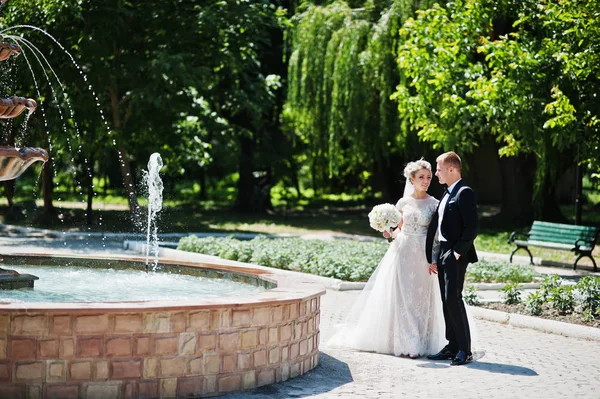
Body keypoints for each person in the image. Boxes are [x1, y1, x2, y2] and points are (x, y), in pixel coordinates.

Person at [328, 159, 445, 358]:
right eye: (421, 177)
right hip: (403, 252)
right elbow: (399, 229)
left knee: (421, 296)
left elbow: (436, 235)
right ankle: (408, 342)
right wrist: (388, 233)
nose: (426, 181)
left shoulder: (434, 204)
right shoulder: (403, 203)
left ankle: (422, 338)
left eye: (428, 177)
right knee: (403, 296)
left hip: (423, 255)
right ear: (412, 179)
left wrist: (434, 258)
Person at [426, 151, 478, 366]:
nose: (435, 173)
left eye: (438, 168)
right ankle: (452, 346)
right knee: (446, 301)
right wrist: (434, 256)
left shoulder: (464, 192)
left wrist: (456, 253)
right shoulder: (447, 193)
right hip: (444, 253)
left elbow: (472, 228)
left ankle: (465, 350)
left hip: (456, 254)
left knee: (453, 299)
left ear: (451, 169)